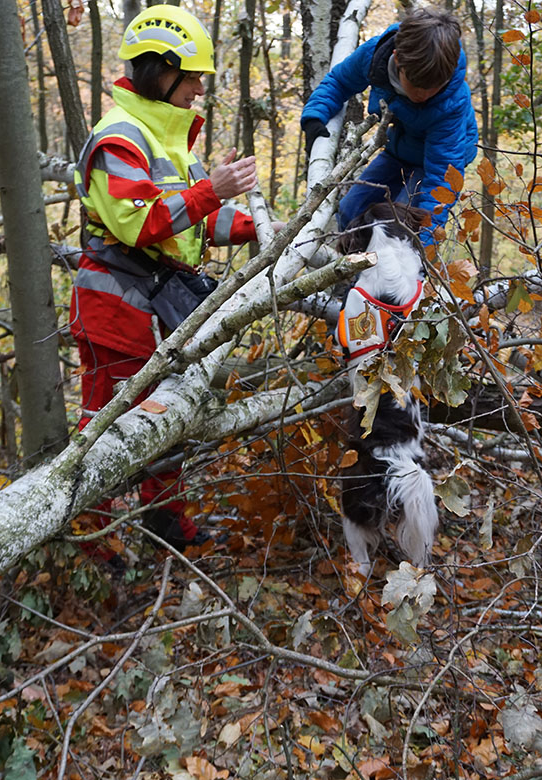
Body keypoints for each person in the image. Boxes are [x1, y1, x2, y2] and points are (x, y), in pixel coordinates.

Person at [70, 4, 261, 561]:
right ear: (161, 70)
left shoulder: (170, 139)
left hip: (152, 307)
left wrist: (264, 231)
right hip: (115, 308)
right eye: (193, 76)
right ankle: (91, 542)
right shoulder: (119, 139)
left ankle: (165, 526)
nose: (200, 89)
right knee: (106, 427)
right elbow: (139, 223)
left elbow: (198, 223)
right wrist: (211, 191)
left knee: (163, 419)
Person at [300, 7, 478, 249]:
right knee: (350, 211)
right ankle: (349, 272)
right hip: (399, 149)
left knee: (401, 227)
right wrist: (314, 117)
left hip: (438, 161)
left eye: (433, 88)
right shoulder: (376, 57)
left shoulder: (451, 103)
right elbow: (339, 82)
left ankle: (388, 279)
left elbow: (440, 181)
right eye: (416, 85)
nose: (422, 95)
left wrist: (419, 247)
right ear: (397, 58)